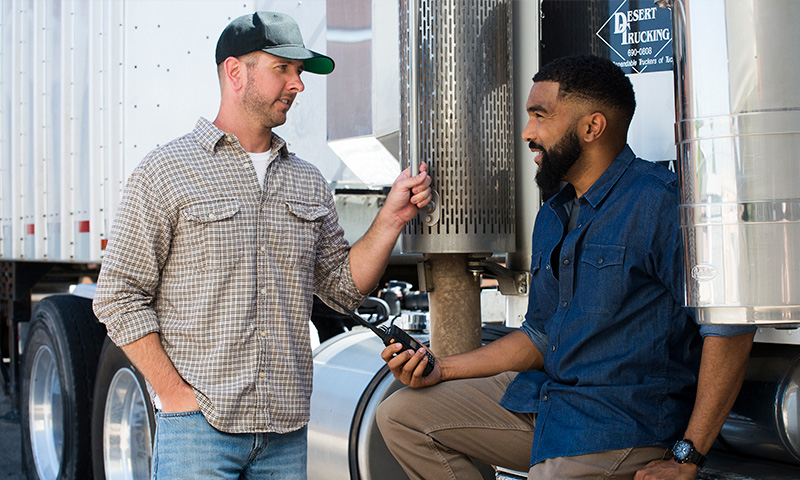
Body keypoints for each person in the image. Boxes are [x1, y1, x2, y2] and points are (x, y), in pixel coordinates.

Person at [376, 54, 755, 480]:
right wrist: (443, 368)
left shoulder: (660, 204)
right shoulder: (555, 214)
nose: (527, 133)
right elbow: (540, 336)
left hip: (622, 425)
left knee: (551, 475)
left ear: (592, 127)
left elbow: (730, 329)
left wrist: (688, 457)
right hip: (552, 405)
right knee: (400, 415)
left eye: (540, 116)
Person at [93, 11, 431, 480]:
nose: (298, 84)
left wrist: (391, 217)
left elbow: (340, 290)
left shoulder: (308, 182)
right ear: (236, 72)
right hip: (200, 431)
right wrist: (174, 395)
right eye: (283, 69)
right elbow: (118, 296)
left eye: (299, 72)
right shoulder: (166, 172)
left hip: (285, 433)